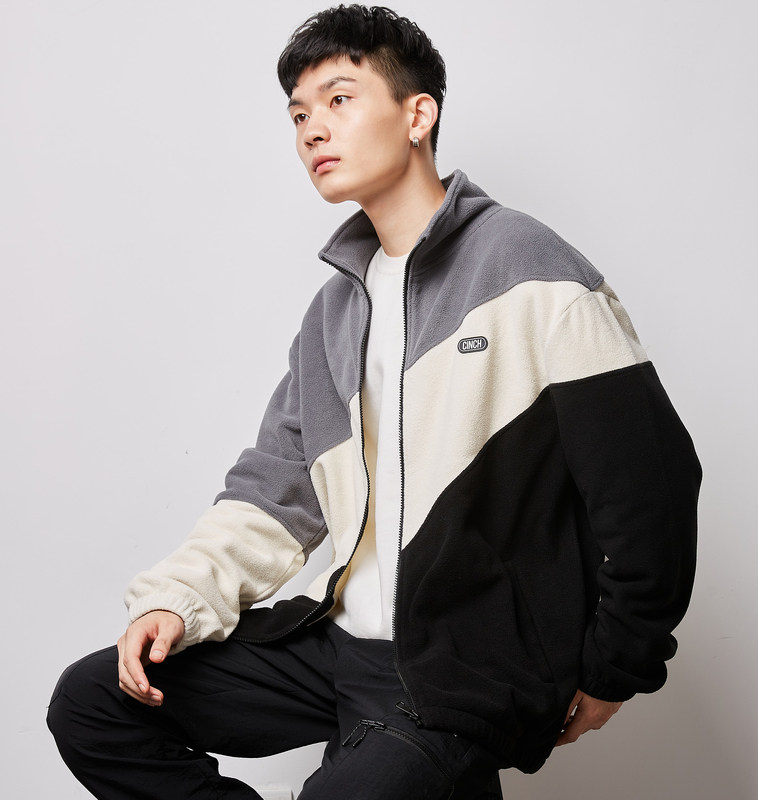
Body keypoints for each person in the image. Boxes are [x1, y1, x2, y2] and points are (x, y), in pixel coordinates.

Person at [47, 5, 702, 799]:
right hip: (344, 652)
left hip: (469, 670)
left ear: (417, 115)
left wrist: (616, 666)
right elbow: (275, 490)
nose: (312, 130)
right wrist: (180, 601)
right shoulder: (336, 312)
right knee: (91, 702)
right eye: (298, 114)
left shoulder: (527, 266)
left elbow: (651, 487)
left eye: (339, 99)